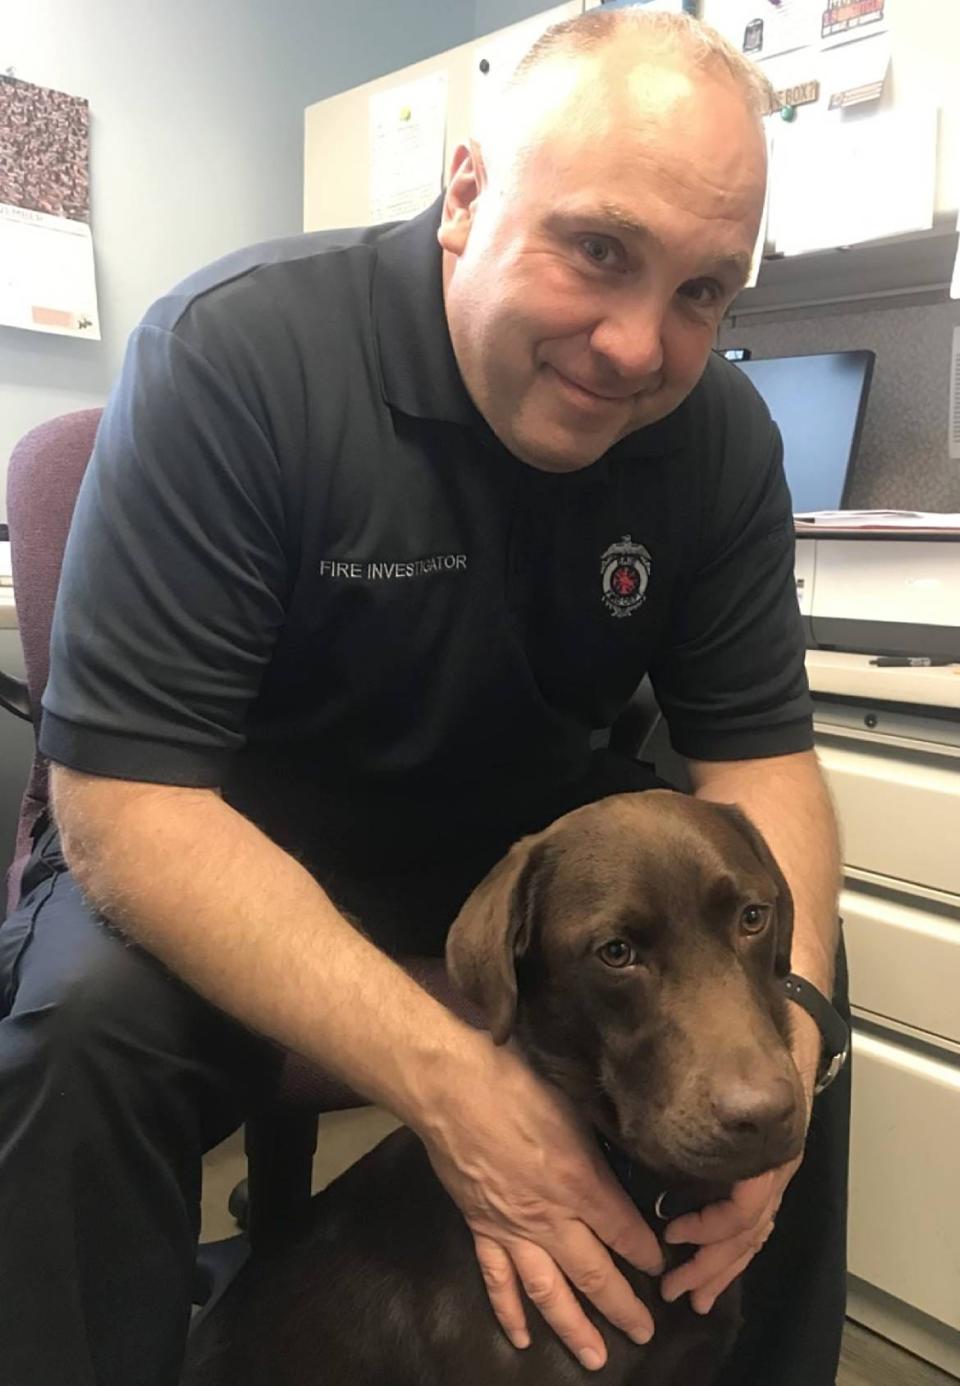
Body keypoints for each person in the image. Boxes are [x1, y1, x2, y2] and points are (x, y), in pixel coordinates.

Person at [0, 10, 850, 1385]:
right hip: (216, 866)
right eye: (599, 249)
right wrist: (458, 1085)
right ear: (466, 196)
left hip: (509, 878)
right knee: (78, 1036)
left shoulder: (717, 439)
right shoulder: (237, 359)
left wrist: (796, 1027)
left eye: (704, 290)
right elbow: (131, 814)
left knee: (799, 1000)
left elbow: (761, 772)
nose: (639, 345)